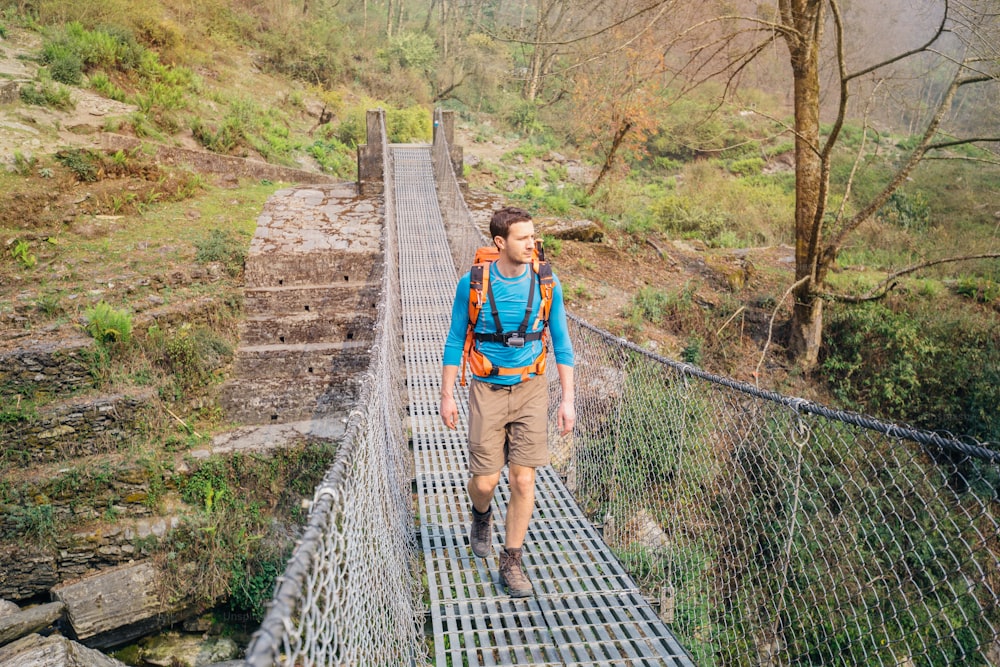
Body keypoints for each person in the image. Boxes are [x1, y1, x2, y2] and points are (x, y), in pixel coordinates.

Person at [439, 206, 575, 598]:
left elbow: (562, 345)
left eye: (533, 236)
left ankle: (511, 560)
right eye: (523, 238)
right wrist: (448, 395)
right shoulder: (472, 283)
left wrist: (567, 400)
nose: (532, 244)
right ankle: (481, 514)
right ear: (500, 242)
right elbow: (453, 340)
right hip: (486, 388)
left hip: (532, 386)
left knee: (523, 478)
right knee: (485, 481)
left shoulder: (548, 284)